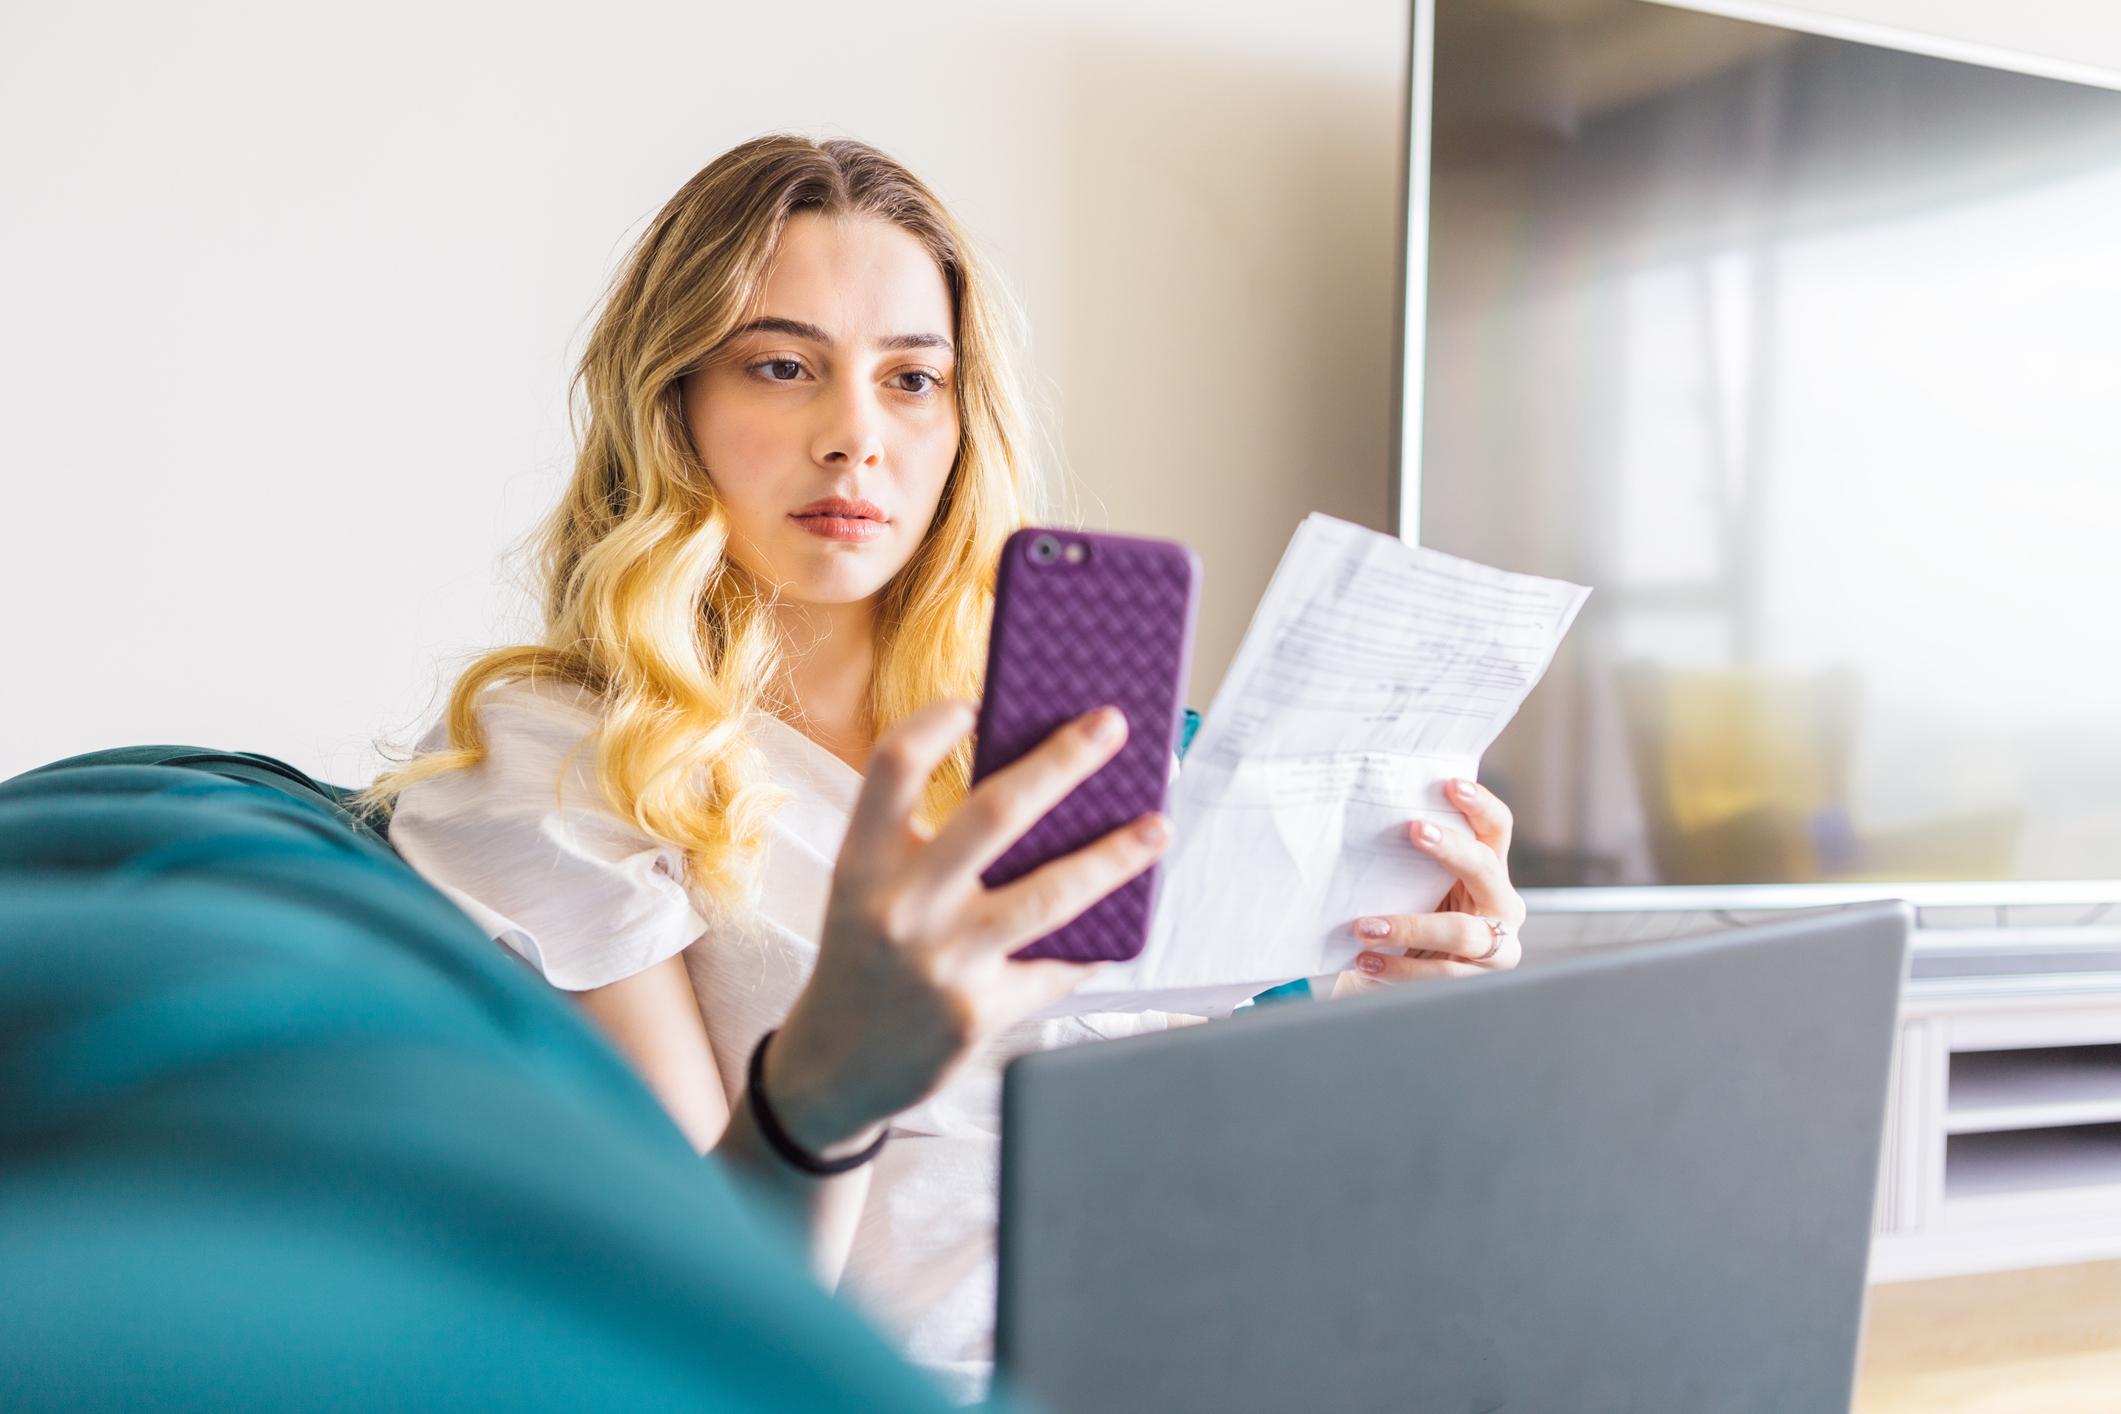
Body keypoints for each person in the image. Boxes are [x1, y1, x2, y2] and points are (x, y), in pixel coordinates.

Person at [359, 134, 1527, 1402]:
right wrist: (834, 1079)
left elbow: (1226, 1158)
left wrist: (1406, 1000)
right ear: (674, 400)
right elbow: (714, 1312)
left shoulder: (1052, 737)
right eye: (783, 365)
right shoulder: (562, 757)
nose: (855, 435)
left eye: (913, 379)